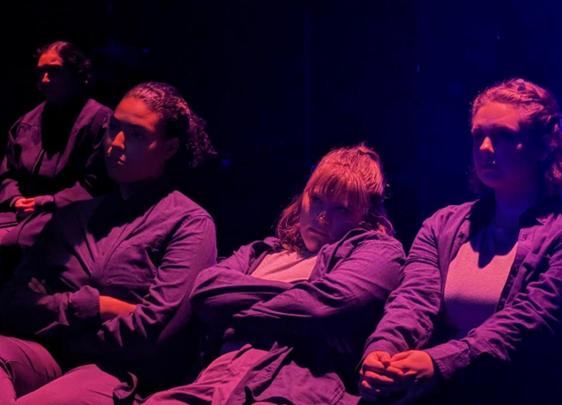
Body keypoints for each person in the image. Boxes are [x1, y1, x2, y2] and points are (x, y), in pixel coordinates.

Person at [358, 78, 562, 404]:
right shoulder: (443, 224)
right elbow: (412, 300)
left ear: (545, 143)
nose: (485, 148)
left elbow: (529, 323)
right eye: (478, 135)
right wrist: (382, 351)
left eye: (504, 136)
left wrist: (437, 362)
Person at [0, 82, 217, 404]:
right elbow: (13, 305)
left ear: (169, 148)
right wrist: (98, 306)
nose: (115, 144)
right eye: (113, 127)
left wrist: (63, 323)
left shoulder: (188, 223)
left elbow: (158, 334)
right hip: (49, 354)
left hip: (120, 371)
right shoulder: (73, 217)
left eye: (136, 135)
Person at [141, 144, 405, 404]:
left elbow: (328, 305)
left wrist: (235, 312)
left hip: (298, 382)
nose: (322, 218)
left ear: (365, 216)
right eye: (316, 199)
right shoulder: (260, 251)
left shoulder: (379, 250)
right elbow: (206, 292)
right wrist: (301, 304)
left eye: (341, 209)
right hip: (218, 376)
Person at [0, 41, 112, 248]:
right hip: (19, 210)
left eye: (54, 71)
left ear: (76, 74)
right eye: (41, 72)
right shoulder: (28, 121)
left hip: (68, 215)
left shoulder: (98, 121)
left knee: (11, 244)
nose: (44, 79)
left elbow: (95, 184)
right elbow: (8, 173)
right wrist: (15, 199)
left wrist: (46, 202)